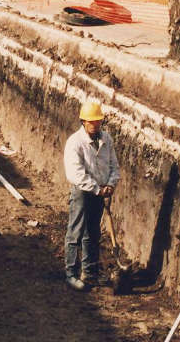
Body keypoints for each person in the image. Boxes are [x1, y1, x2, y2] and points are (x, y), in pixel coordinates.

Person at [63, 100, 120, 291]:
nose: (96, 125)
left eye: (98, 122)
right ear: (83, 122)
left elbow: (114, 165)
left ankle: (89, 271)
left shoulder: (107, 139)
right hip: (82, 191)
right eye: (92, 122)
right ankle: (71, 273)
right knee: (76, 232)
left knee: (93, 233)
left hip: (101, 190)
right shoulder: (75, 143)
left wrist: (111, 184)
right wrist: (97, 188)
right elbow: (75, 173)